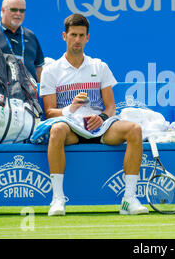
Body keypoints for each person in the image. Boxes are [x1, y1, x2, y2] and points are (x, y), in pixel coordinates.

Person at [40, 13, 148, 216]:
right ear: (64, 36)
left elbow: (110, 107)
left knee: (134, 129)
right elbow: (49, 112)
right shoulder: (51, 71)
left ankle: (129, 199)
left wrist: (103, 118)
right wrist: (70, 109)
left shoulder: (100, 67)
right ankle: (57, 200)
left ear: (88, 37)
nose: (77, 40)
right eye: (73, 35)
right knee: (56, 129)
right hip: (70, 127)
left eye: (81, 35)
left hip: (100, 128)